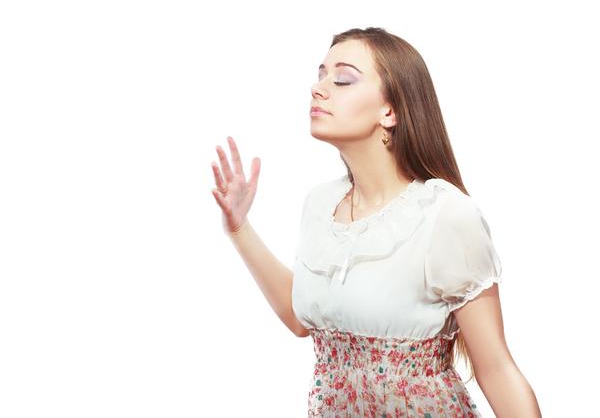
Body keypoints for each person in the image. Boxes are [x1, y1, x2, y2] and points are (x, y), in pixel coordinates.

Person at [210, 27, 542, 417]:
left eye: (342, 79)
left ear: (390, 111)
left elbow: (497, 369)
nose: (318, 88)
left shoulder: (444, 214)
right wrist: (239, 227)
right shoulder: (320, 204)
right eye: (320, 75)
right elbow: (302, 319)